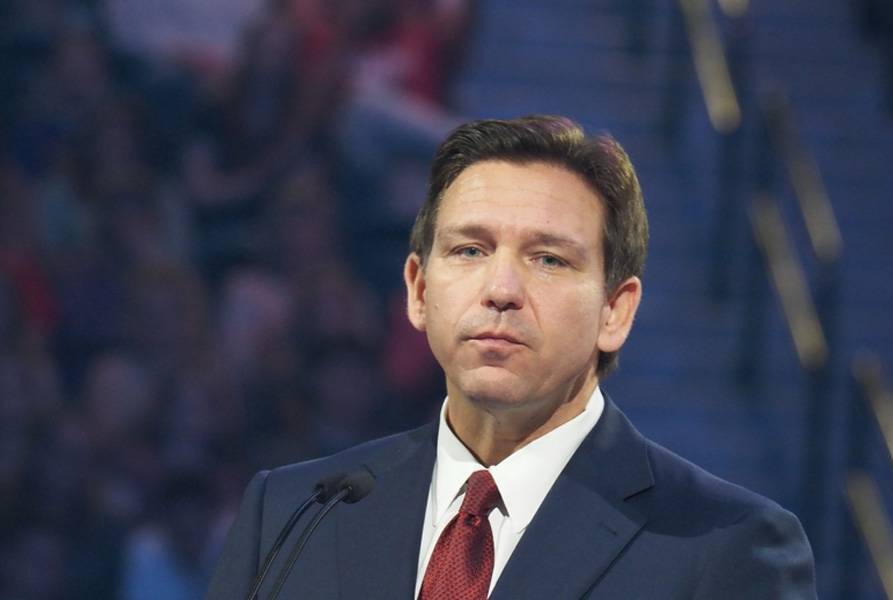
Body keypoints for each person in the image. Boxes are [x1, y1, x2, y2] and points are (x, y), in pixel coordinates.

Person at [204, 115, 817, 599]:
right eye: (469, 250)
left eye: (549, 259)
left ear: (616, 311)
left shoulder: (725, 545)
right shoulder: (296, 513)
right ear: (418, 291)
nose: (500, 290)